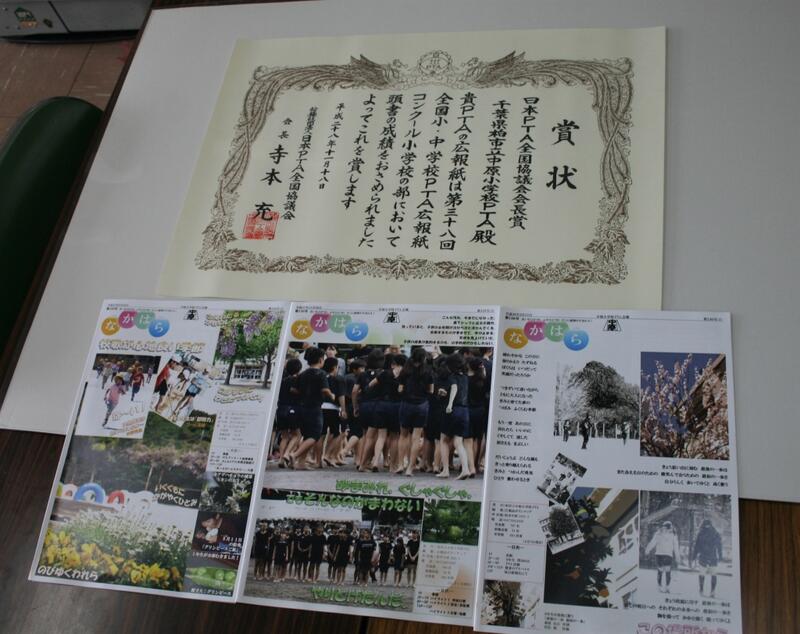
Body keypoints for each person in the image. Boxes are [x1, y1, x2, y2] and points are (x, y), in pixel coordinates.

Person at [287, 347, 334, 469]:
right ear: (320, 360)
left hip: (301, 408)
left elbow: (293, 389)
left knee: (307, 435)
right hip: (314, 408)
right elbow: (325, 389)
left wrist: (304, 393)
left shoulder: (302, 374)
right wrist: (332, 395)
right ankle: (295, 455)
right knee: (315, 435)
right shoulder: (321, 373)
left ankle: (301, 463)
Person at [398, 348, 434, 476]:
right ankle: (410, 468)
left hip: (406, 404)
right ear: (424, 358)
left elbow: (400, 389)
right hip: (421, 405)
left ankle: (400, 464)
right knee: (416, 437)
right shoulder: (428, 371)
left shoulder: (405, 370)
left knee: (403, 435)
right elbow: (431, 390)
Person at [438, 353, 472, 479]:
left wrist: (450, 404)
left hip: (454, 410)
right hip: (464, 411)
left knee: (443, 439)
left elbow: (454, 388)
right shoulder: (465, 377)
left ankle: (445, 470)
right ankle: (465, 469)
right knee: (458, 442)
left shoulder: (452, 377)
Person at [645, 520, 681, 593]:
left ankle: (662, 587)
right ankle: (664, 587)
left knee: (662, 570)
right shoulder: (671, 534)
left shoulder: (660, 533)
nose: (666, 529)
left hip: (662, 555)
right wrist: (677, 557)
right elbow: (676, 547)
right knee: (665, 570)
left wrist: (647, 550)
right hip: (665, 555)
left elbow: (652, 542)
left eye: (666, 528)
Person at [692, 519, 723, 597]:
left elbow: (697, 546)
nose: (707, 527)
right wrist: (720, 555)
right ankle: (710, 591)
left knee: (704, 574)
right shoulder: (715, 533)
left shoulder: (701, 533)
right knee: (712, 574)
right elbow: (719, 546)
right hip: (711, 556)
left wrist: (694, 556)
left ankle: (703, 590)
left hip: (706, 556)